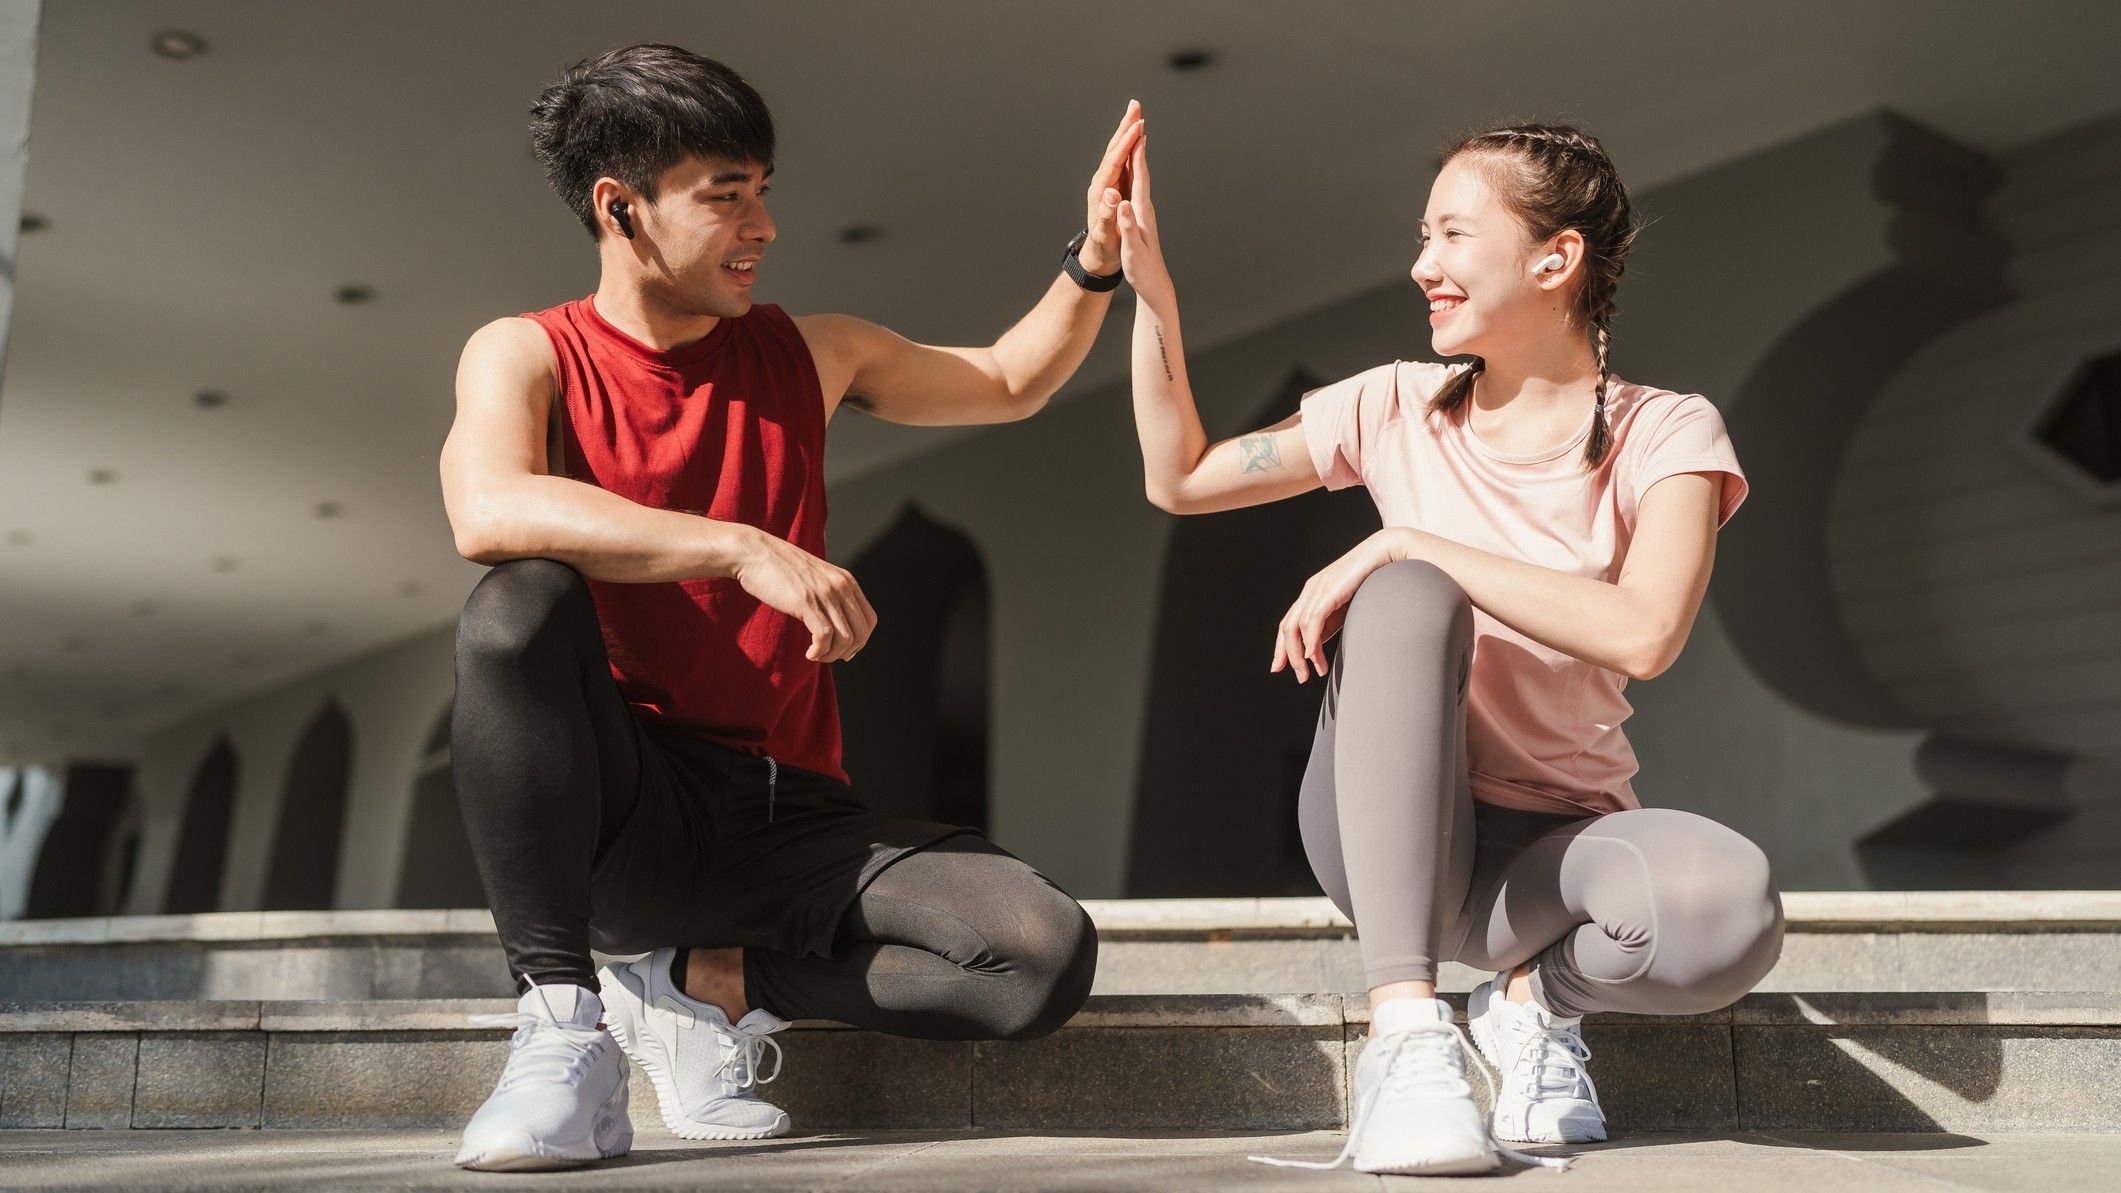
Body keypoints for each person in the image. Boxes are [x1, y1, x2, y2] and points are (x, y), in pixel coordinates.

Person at [438, 44, 1138, 1171]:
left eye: (763, 189)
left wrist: (1094, 262)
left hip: (786, 815)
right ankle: (563, 1022)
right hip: (628, 811)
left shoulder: (812, 352)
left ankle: (699, 983)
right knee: (514, 608)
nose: (762, 223)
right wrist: (738, 546)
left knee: (1037, 954)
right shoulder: (528, 352)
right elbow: (487, 506)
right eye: (727, 196)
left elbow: (1012, 379)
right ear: (622, 208)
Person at [1113, 120, 1785, 1175]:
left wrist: (1408, 536)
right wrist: (1152, 293)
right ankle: (1407, 1036)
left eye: (1454, 235)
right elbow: (1183, 476)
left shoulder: (1669, 432)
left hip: (1555, 857)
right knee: (1408, 596)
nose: (1422, 264)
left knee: (1728, 906)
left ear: (1553, 259)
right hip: (1392, 839)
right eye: (1422, 235)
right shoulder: (1389, 404)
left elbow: (1646, 632)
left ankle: (1525, 1004)